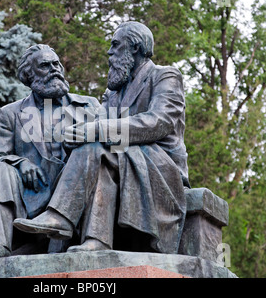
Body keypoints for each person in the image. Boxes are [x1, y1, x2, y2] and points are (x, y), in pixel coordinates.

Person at [14, 22, 190, 254]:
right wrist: (75, 136)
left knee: (96, 145)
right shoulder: (113, 92)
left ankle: (61, 217)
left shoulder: (164, 76)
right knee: (93, 147)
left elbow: (159, 123)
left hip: (160, 166)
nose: (109, 52)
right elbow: (97, 127)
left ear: (135, 48)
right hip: (122, 158)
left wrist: (94, 131)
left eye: (115, 45)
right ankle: (97, 240)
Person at [0, 44, 100, 259]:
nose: (54, 70)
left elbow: (112, 151)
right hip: (31, 197)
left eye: (56, 64)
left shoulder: (89, 106)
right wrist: (20, 163)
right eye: (45, 65)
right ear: (29, 75)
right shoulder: (11, 113)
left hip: (77, 194)